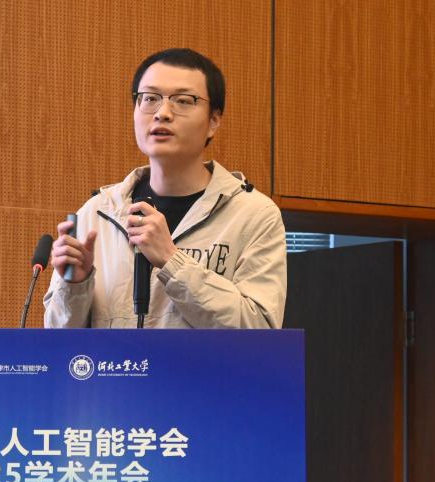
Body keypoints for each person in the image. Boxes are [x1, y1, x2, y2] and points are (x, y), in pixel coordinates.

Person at [43, 48, 287, 329]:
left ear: (213, 121)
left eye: (183, 101)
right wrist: (76, 285)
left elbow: (261, 331)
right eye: (150, 98)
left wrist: (172, 261)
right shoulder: (97, 213)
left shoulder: (254, 215)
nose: (163, 113)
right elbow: (59, 341)